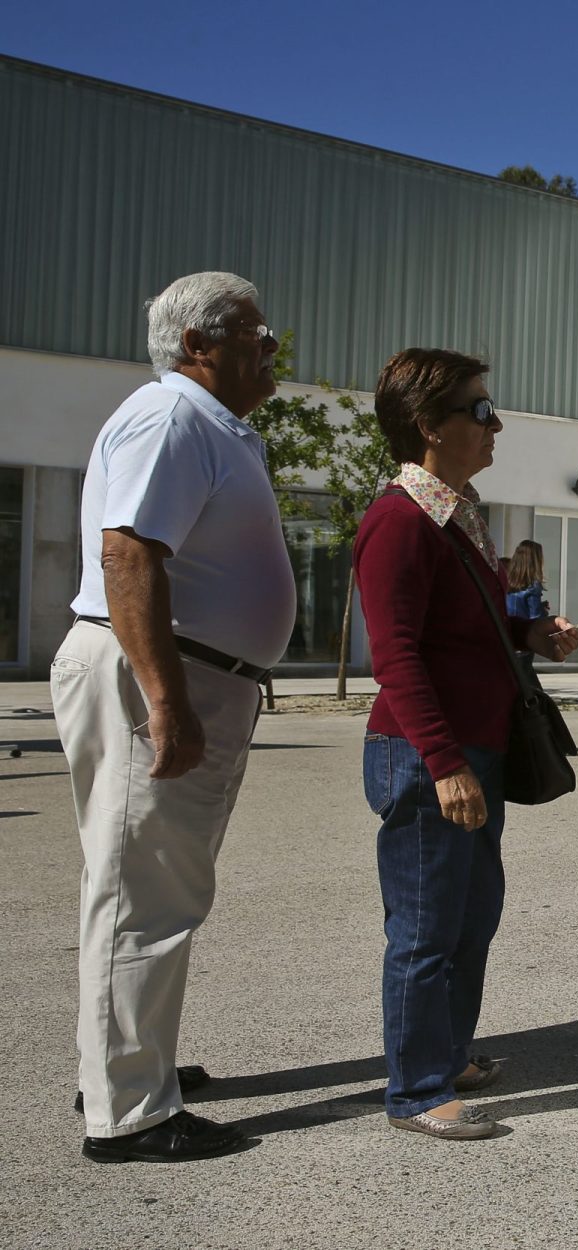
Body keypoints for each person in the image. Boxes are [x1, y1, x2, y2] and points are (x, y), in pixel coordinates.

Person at [53, 272, 295, 1163]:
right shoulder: (173, 419)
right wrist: (167, 701)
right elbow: (128, 554)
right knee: (143, 895)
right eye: (256, 335)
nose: (272, 350)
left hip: (191, 673)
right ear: (200, 344)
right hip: (163, 676)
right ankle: (128, 1111)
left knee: (144, 888)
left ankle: (125, 1066)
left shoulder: (214, 427)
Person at [353, 348, 578, 1139]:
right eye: (479, 411)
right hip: (426, 754)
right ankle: (415, 1091)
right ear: (428, 427)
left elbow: (464, 630)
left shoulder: (454, 511)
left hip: (471, 748)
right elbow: (398, 656)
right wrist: (444, 764)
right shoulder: (398, 522)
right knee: (423, 926)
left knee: (472, 915)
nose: (497, 423)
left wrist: (530, 633)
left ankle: (446, 1054)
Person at [504, 541, 548, 622]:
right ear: (535, 561)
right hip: (523, 630)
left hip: (506, 628)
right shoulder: (533, 585)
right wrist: (544, 613)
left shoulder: (506, 580)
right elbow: (535, 619)